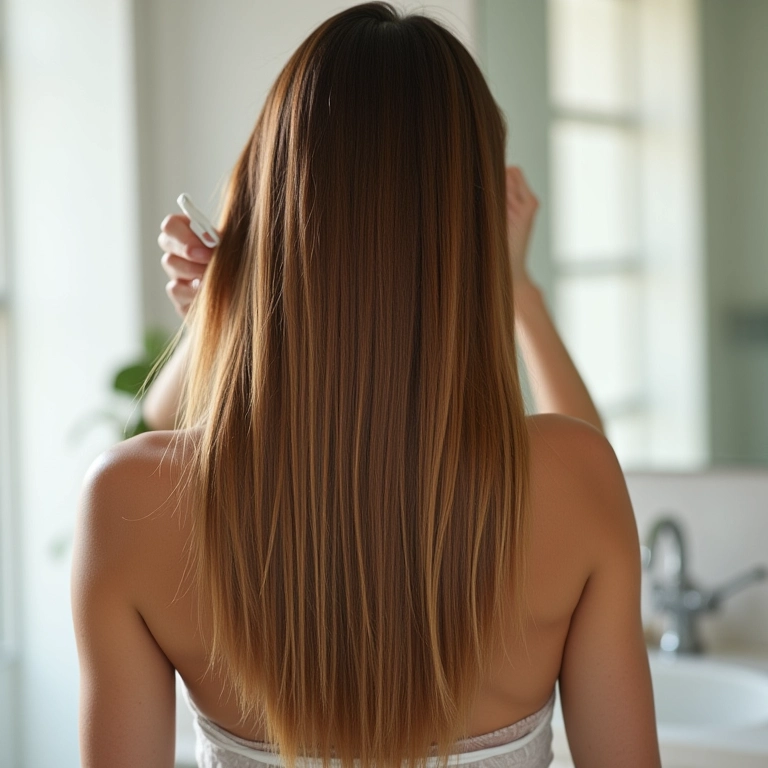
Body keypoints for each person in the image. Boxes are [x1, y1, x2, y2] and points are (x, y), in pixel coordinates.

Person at [71, 4, 660, 768]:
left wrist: (229, 311)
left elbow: (169, 436)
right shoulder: (575, 484)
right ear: (475, 227)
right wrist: (518, 289)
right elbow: (576, 453)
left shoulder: (127, 504)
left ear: (267, 208)